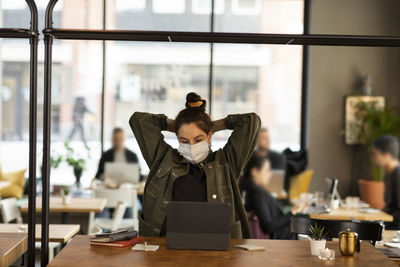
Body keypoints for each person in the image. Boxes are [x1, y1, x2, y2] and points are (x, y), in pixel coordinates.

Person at [129, 92, 261, 238]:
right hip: (164, 248)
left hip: (215, 249)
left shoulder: (226, 162)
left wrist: (212, 125)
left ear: (209, 136)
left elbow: (251, 121)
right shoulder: (163, 158)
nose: (191, 146)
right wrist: (177, 125)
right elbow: (139, 120)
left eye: (198, 140)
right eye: (184, 141)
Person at [240, 154, 304, 239]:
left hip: (284, 235)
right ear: (255, 172)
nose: (270, 175)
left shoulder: (251, 190)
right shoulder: (258, 193)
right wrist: (292, 212)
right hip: (283, 239)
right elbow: (268, 226)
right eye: (266, 170)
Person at [371, 135, 400, 229]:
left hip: (394, 227)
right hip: (388, 221)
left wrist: (380, 219)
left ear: (387, 156)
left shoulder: (398, 174)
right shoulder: (389, 173)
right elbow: (391, 206)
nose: (373, 158)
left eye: (375, 154)